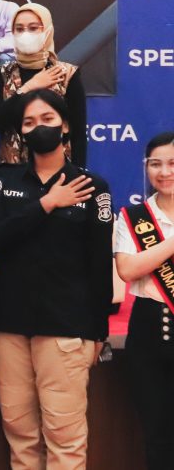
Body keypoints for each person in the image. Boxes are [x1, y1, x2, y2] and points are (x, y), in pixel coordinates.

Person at [0, 90, 112, 470]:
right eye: (29, 122)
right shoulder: (2, 179)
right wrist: (46, 203)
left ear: (65, 125)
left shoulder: (91, 186)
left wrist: (98, 331)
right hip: (7, 324)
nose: (39, 127)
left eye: (47, 119)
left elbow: (99, 263)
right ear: (21, 132)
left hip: (66, 326)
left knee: (65, 438)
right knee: (20, 434)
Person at [112, 132, 174, 470]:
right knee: (156, 433)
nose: (164, 172)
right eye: (156, 164)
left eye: (172, 164)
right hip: (149, 329)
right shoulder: (134, 216)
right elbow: (127, 269)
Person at [0, 3, 87, 166]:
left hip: (59, 170)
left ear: (47, 30)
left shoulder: (66, 73)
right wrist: (29, 87)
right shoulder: (3, 73)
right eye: (19, 29)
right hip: (13, 172)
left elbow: (78, 133)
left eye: (33, 28)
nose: (25, 34)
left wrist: (78, 173)